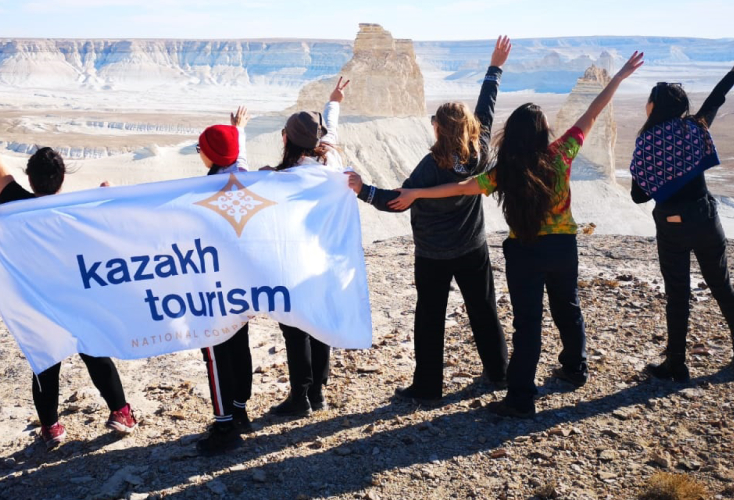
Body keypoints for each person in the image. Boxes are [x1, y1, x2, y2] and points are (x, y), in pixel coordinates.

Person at [389, 52, 646, 417]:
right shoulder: (562, 153)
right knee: (568, 307)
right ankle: (575, 368)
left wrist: (417, 193)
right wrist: (618, 78)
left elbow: (460, 188)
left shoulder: (505, 171)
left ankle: (521, 397)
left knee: (528, 324)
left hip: (524, 252)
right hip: (563, 247)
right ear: (542, 133)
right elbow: (592, 112)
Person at [0, 95, 137, 445]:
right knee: (95, 352)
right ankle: (121, 412)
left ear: (29, 178)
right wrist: (108, 194)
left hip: (35, 300)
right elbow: (113, 215)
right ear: (61, 179)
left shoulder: (13, 201)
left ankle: (51, 426)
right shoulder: (76, 210)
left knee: (44, 362)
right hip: (77, 295)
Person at [345, 37, 512, 403]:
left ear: (438, 128)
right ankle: (499, 372)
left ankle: (428, 387)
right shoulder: (480, 150)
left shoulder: (430, 168)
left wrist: (362, 189)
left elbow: (397, 202)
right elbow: (486, 109)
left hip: (434, 254)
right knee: (483, 308)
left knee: (430, 318)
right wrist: (494, 69)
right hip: (473, 248)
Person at [630, 34, 734, 381]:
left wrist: (658, 177)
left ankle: (676, 363)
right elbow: (718, 97)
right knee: (721, 282)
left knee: (678, 293)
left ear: (654, 106)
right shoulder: (694, 128)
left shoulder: (647, 143)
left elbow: (638, 197)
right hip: (705, 218)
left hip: (671, 226)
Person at [267, 77, 349, 417]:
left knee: (295, 326)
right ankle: (317, 393)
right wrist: (334, 102)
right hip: (327, 257)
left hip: (295, 261)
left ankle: (299, 397)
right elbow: (331, 131)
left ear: (286, 139)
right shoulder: (331, 162)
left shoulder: (282, 178)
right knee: (320, 320)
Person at [192, 106, 256, 455]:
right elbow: (238, 157)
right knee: (239, 345)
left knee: (216, 354)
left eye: (199, 149)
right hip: (242, 284)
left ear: (211, 156)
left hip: (214, 289)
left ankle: (225, 426)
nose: (199, 154)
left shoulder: (208, 190)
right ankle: (240, 411)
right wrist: (238, 130)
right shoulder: (242, 177)